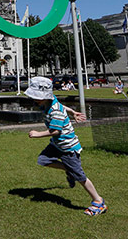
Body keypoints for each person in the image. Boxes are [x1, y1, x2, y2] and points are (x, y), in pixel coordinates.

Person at [25, 76, 107, 216]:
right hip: (57, 145)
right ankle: (67, 170)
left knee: (80, 176)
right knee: (43, 160)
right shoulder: (50, 102)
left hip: (68, 148)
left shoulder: (54, 111)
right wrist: (73, 112)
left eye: (36, 96)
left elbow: (56, 131)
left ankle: (98, 201)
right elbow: (63, 106)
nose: (35, 100)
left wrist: (37, 134)